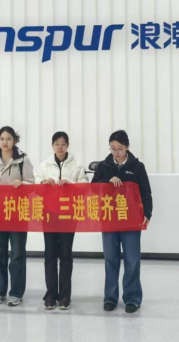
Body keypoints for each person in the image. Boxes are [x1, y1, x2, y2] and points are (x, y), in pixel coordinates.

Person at [91, 130, 152, 314]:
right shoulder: (104, 166)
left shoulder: (137, 167)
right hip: (109, 219)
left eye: (120, 148)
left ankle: (132, 298)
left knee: (132, 260)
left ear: (127, 147)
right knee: (111, 259)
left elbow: (146, 192)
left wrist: (147, 213)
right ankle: (110, 297)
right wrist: (107, 180)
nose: (116, 152)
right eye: (113, 148)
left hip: (130, 220)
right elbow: (92, 188)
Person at [0, 126, 35, 307]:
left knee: (17, 254)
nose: (5, 142)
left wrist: (22, 184)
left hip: (17, 212)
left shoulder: (23, 160)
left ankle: (16, 292)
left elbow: (32, 184)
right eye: (2, 139)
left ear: (14, 141)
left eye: (9, 139)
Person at [35, 131, 89, 311]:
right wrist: (44, 183)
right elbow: (35, 186)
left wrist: (71, 185)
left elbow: (85, 186)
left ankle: (65, 295)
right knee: (50, 255)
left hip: (68, 215)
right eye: (57, 144)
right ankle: (51, 294)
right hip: (49, 215)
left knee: (65, 255)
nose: (60, 147)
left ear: (68, 145)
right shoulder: (44, 165)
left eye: (63, 144)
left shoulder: (76, 165)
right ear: (52, 145)